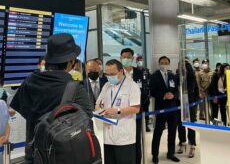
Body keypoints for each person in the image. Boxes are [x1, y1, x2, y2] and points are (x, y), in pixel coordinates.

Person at [10, 33, 93, 164]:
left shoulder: (29, 81)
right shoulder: (75, 87)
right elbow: (86, 116)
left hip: (34, 153)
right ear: (71, 61)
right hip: (63, 154)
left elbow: (24, 111)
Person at [95, 59, 140, 164]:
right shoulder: (106, 86)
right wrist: (99, 109)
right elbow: (98, 103)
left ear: (121, 71)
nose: (110, 76)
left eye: (112, 74)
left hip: (124, 136)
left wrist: (118, 111)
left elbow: (136, 108)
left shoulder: (132, 86)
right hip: (106, 135)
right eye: (107, 74)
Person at [150, 56, 180, 163]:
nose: (164, 64)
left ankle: (171, 153)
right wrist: (163, 95)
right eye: (162, 62)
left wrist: (173, 95)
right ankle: (155, 154)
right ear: (159, 64)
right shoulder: (154, 76)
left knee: (172, 131)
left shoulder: (172, 75)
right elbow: (152, 91)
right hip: (161, 108)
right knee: (158, 132)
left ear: (169, 64)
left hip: (172, 108)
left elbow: (176, 90)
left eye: (166, 62)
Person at [120, 48, 145, 164]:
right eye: (124, 57)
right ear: (120, 58)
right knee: (123, 139)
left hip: (136, 112)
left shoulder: (139, 72)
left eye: (128, 57)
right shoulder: (117, 73)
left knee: (136, 139)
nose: (126, 59)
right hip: (122, 113)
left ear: (132, 58)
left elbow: (144, 91)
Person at [176, 61, 199, 158]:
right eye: (181, 66)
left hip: (190, 104)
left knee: (191, 125)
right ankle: (182, 142)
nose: (183, 68)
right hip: (179, 104)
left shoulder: (192, 78)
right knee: (181, 125)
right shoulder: (177, 77)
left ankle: (192, 144)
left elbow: (196, 91)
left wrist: (195, 103)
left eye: (185, 66)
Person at [136, 55, 151, 132]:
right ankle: (139, 126)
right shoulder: (134, 71)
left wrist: (149, 93)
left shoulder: (146, 71)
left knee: (146, 111)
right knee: (138, 111)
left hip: (145, 94)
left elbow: (150, 81)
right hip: (137, 95)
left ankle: (146, 125)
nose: (140, 62)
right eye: (138, 60)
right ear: (136, 61)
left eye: (141, 60)